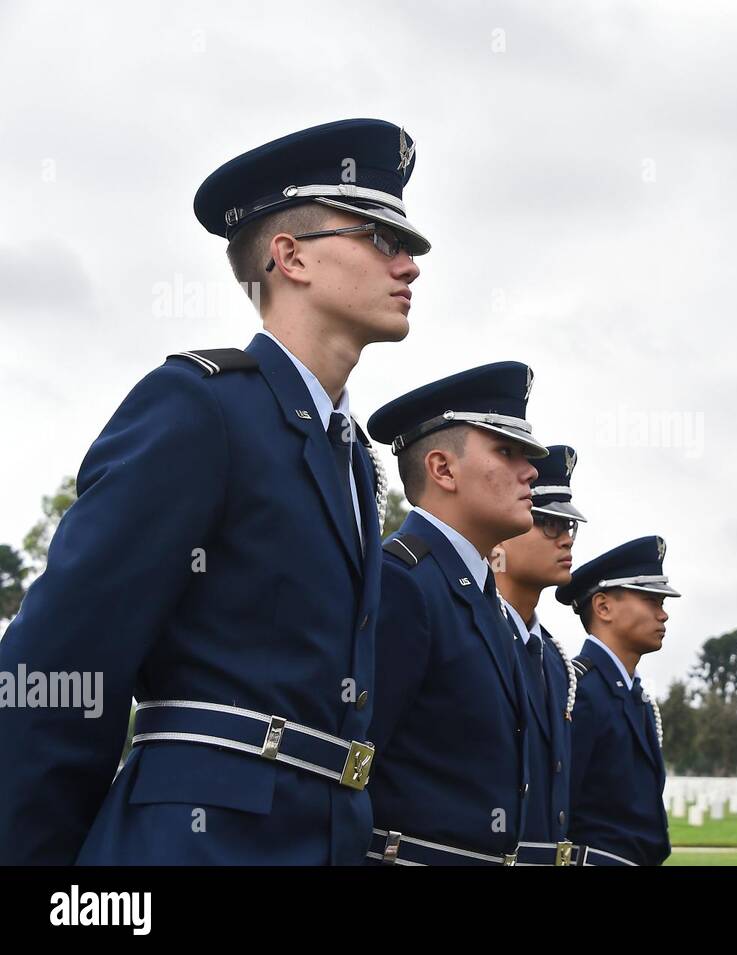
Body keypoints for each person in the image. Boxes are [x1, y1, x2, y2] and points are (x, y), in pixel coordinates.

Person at [0, 118, 428, 864]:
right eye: (380, 238)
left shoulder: (354, 457)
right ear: (289, 256)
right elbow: (58, 667)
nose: (411, 265)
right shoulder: (202, 409)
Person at [364, 362, 558, 866]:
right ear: (442, 469)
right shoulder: (404, 582)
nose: (532, 471)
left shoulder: (481, 595)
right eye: (506, 451)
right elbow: (350, 769)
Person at [557, 536, 679, 866]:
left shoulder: (637, 697)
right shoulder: (580, 691)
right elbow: (558, 810)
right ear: (603, 607)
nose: (663, 615)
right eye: (652, 601)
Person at [493, 445, 585, 863]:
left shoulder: (554, 660)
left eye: (568, 525)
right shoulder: (479, 632)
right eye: (547, 523)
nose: (565, 537)